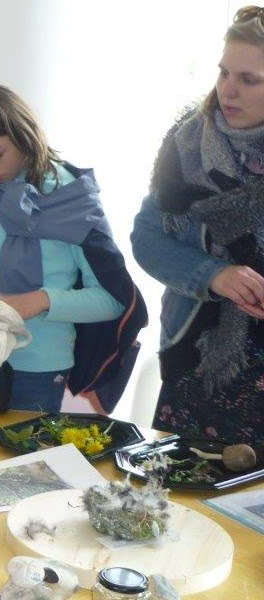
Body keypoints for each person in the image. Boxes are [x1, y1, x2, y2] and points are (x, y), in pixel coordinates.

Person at [0, 83, 146, 414]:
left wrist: (36, 302)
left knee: (24, 464)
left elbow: (113, 300)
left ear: (23, 135)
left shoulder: (72, 200)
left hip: (41, 364)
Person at [131, 6, 264, 445]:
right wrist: (214, 275)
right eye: (225, 72)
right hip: (195, 362)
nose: (228, 90)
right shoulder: (187, 143)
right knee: (181, 498)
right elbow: (147, 239)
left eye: (249, 79)